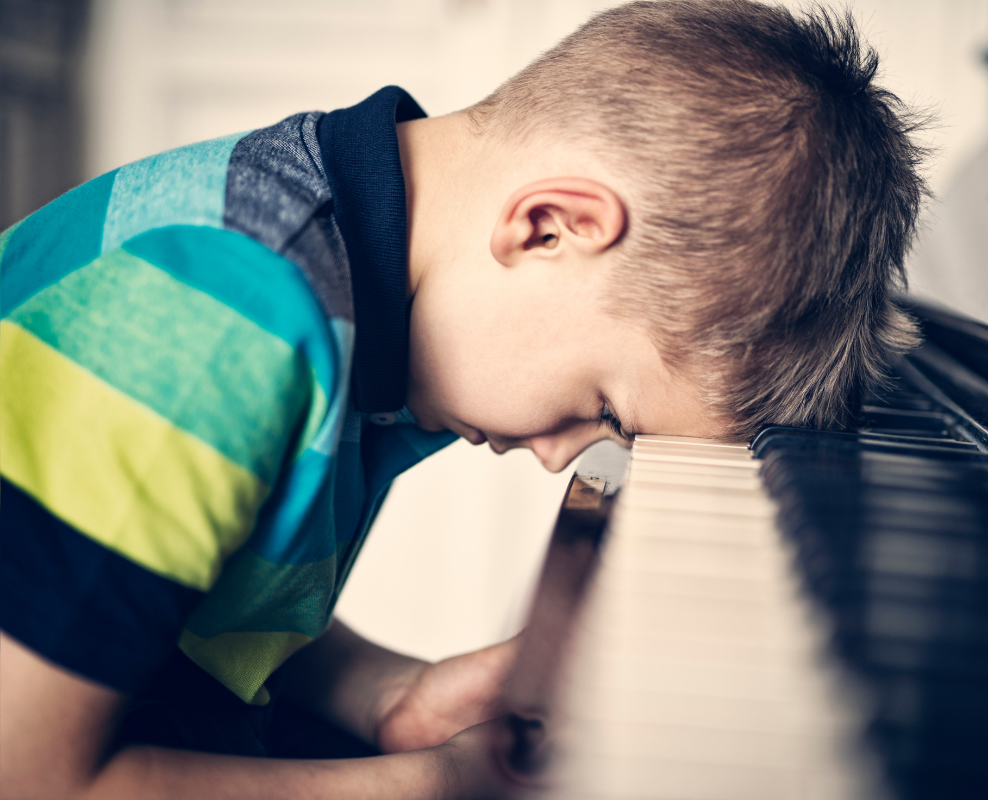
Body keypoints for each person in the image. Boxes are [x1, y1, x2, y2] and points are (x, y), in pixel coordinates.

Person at [0, 1, 926, 797]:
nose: (566, 456)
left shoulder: (361, 294)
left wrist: (386, 692)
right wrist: (426, 784)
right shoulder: (225, 318)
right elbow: (30, 776)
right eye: (606, 409)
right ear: (548, 227)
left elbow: (171, 589)